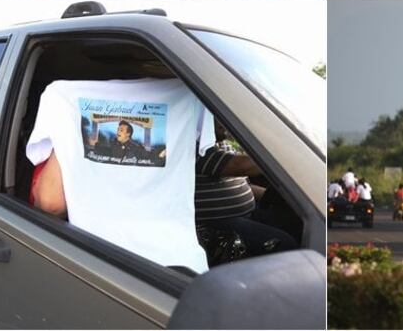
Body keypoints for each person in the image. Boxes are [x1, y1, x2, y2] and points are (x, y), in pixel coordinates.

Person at [28, 77, 215, 272]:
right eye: (118, 129)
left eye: (122, 130)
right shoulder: (194, 93)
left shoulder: (62, 97)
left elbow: (50, 203)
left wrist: (68, 133)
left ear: (130, 134)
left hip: (95, 262)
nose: (118, 131)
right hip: (176, 264)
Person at [195, 123, 297, 264]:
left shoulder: (224, 146)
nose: (223, 124)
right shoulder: (198, 150)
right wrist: (286, 155)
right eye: (216, 119)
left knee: (295, 223)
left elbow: (244, 185)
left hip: (248, 213)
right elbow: (241, 167)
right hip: (218, 223)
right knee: (285, 245)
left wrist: (273, 196)